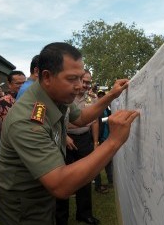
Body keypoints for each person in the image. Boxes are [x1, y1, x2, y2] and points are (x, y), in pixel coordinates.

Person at [0, 42, 139, 225]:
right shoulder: (26, 121)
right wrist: (114, 141)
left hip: (42, 194)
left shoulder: (56, 96)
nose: (79, 86)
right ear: (47, 76)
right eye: (72, 79)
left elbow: (81, 117)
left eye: (81, 78)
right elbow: (61, 185)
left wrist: (110, 95)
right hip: (24, 204)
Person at [56, 69, 100, 225]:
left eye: (89, 82)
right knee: (63, 179)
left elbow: (94, 121)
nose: (87, 85)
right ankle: (61, 218)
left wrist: (95, 142)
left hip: (85, 139)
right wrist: (65, 136)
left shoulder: (92, 98)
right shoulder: (66, 97)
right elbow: (57, 120)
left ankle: (84, 213)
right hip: (66, 139)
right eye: (84, 81)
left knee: (85, 176)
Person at [0, 70, 25, 189]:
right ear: (9, 84)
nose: (21, 86)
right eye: (17, 83)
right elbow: (5, 129)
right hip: (9, 149)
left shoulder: (29, 100)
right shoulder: (5, 101)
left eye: (24, 83)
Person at [94, 90, 113, 193]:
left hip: (106, 137)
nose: (101, 98)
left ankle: (111, 180)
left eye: (102, 96)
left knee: (108, 161)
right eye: (99, 96)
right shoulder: (96, 108)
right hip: (99, 138)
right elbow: (97, 121)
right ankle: (98, 185)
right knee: (97, 162)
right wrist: (108, 118)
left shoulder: (107, 107)